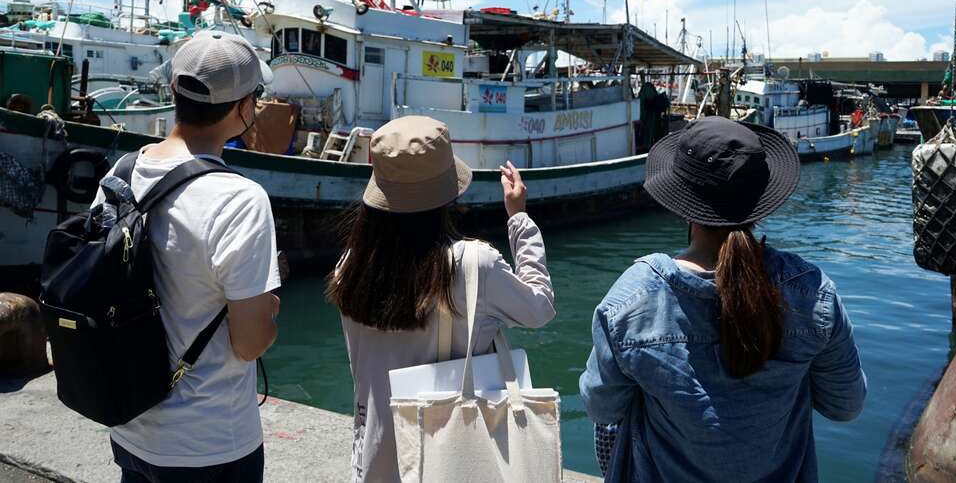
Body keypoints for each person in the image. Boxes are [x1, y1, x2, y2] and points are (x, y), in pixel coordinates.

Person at [579, 116, 866, 482]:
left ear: (681, 203)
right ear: (762, 199)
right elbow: (846, 406)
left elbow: (601, 407)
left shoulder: (632, 298)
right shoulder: (812, 292)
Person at [327, 116, 556, 483]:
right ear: (447, 195)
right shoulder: (473, 265)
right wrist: (519, 220)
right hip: (451, 461)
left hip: (375, 461)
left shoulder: (351, 267)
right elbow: (539, 307)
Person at [94, 32, 281, 482]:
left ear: (175, 89)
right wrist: (270, 308)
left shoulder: (120, 174)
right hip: (209, 442)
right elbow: (250, 343)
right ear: (244, 108)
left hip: (130, 423)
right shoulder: (240, 199)